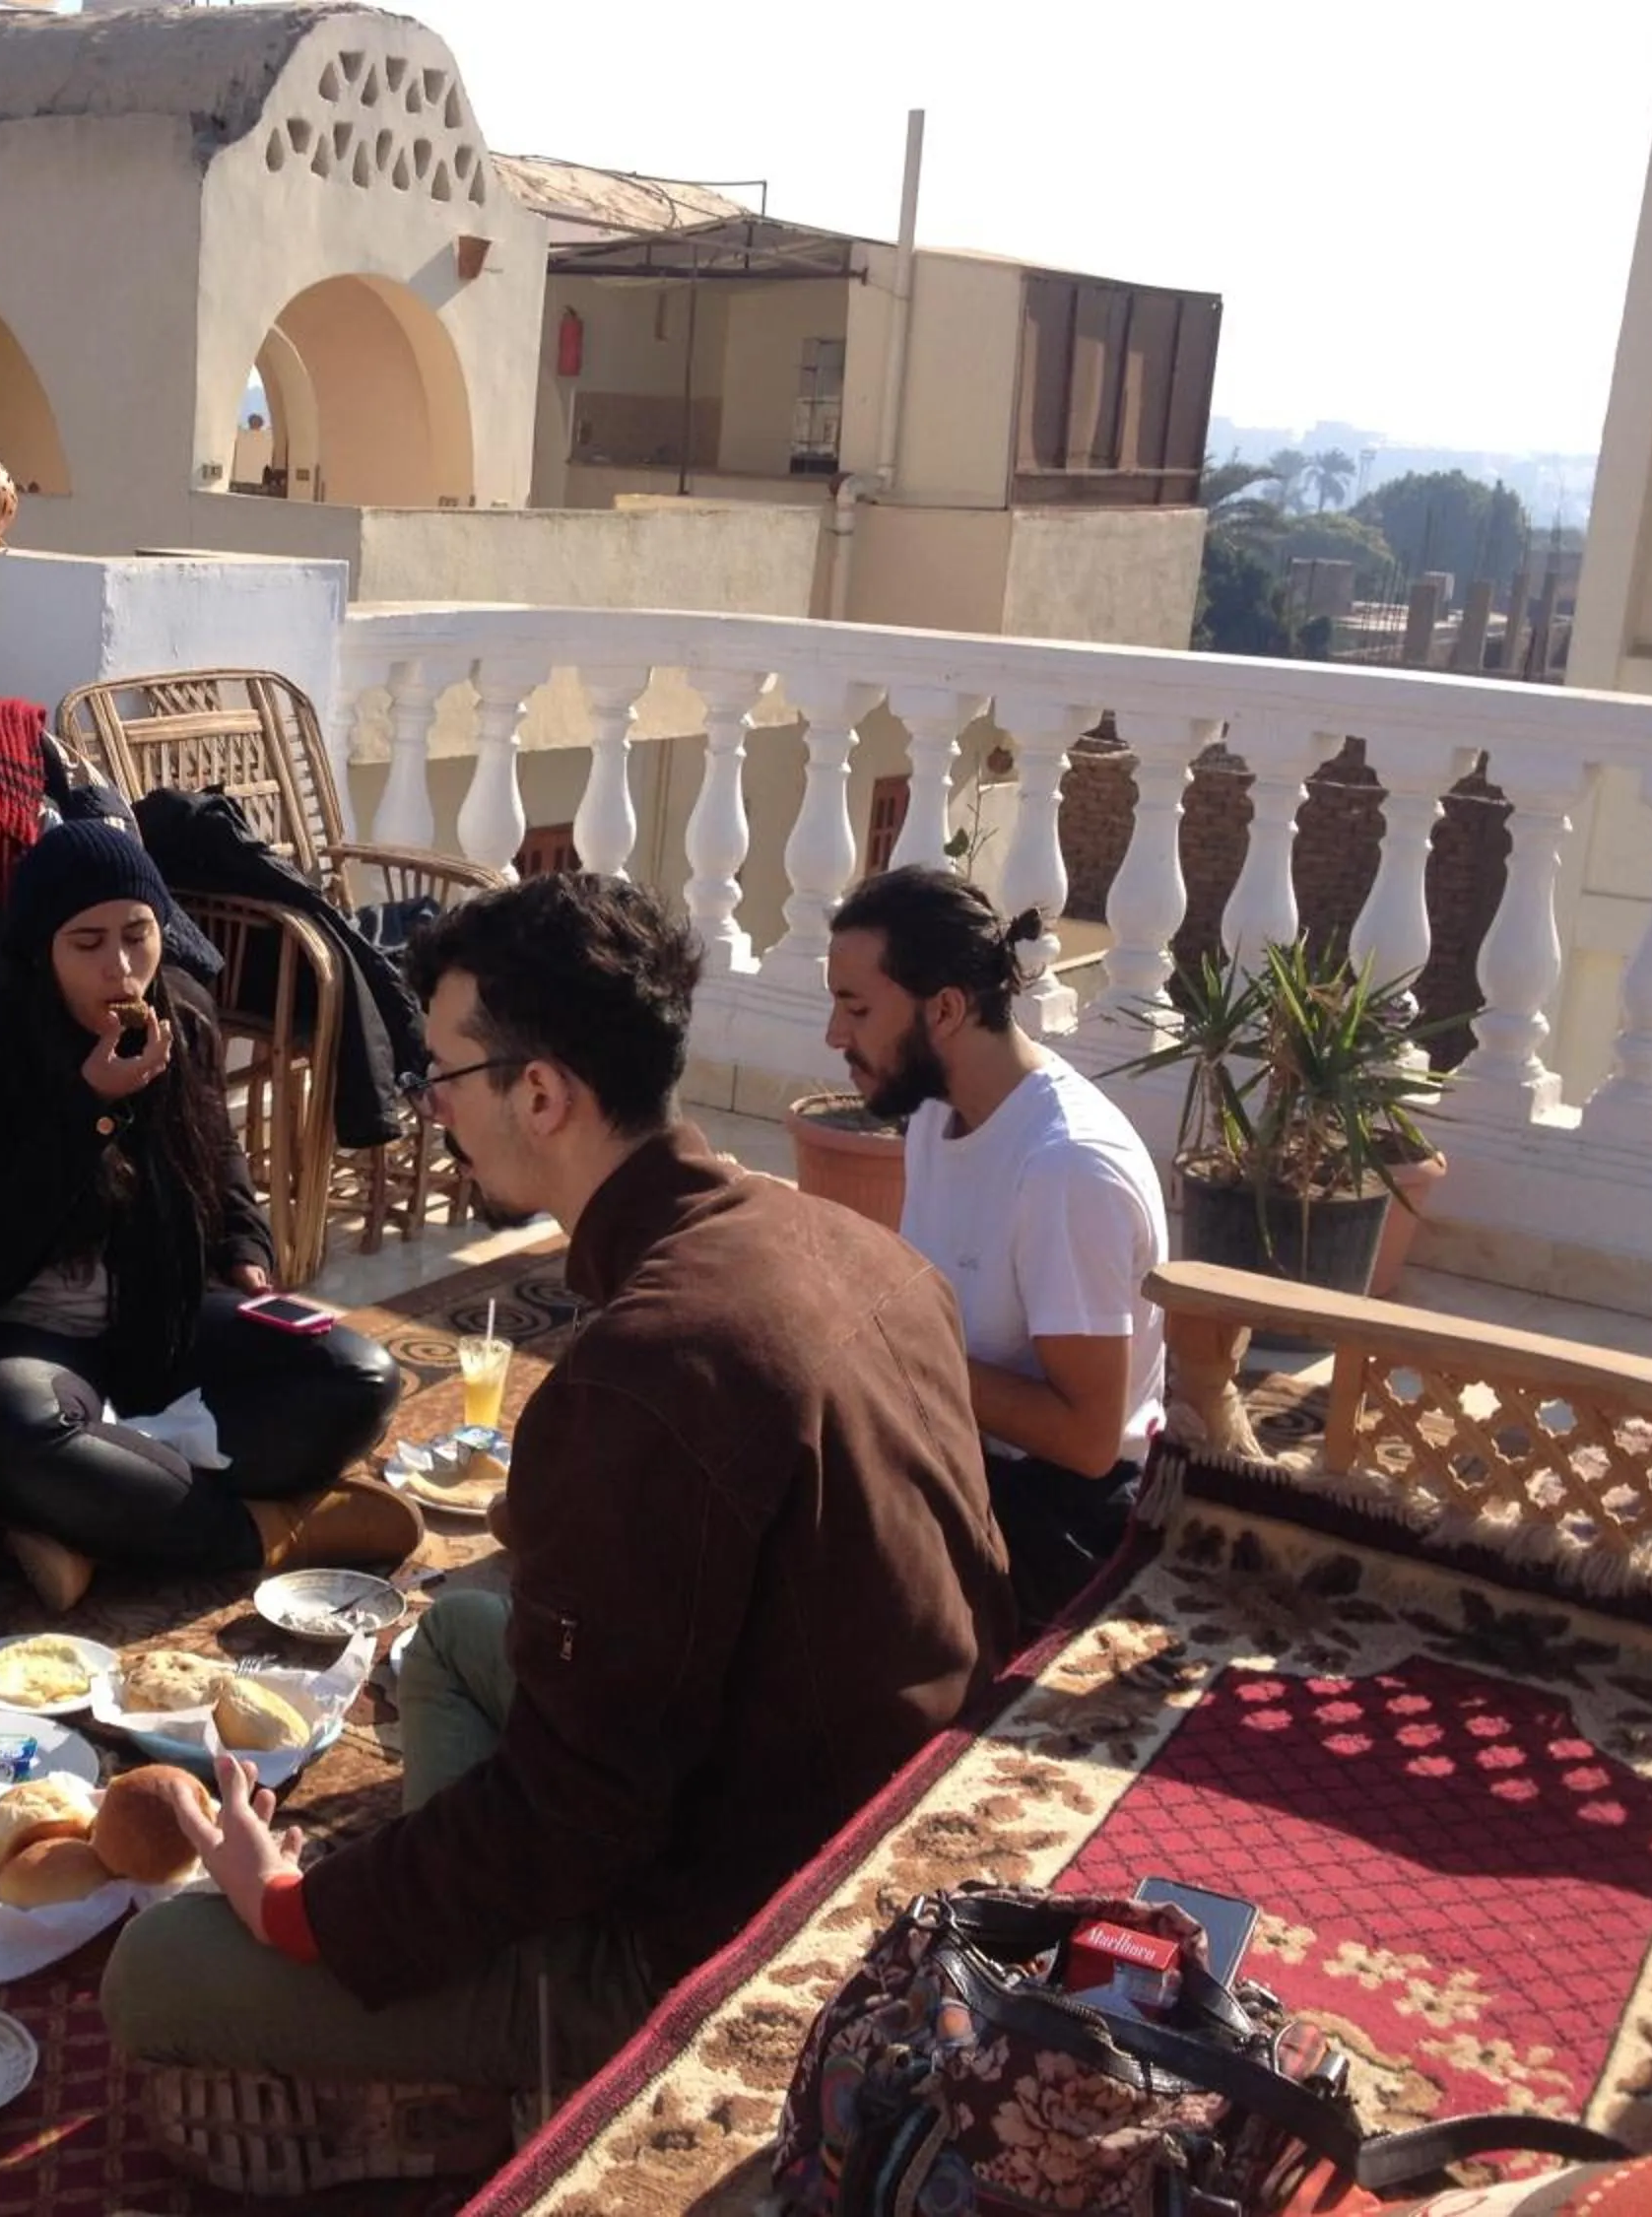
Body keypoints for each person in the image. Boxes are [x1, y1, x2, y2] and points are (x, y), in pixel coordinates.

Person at [99, 873, 1011, 2168]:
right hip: (881, 1823)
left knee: (162, 1966)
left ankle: (512, 2088)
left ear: (542, 1092)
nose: (435, 1110)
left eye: (446, 1078)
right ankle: (463, 2011)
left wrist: (298, 1904)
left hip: (743, 1941)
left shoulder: (648, 1370)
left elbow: (581, 1816)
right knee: (460, 1635)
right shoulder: (847, 1238)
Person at [0, 821, 414, 1609]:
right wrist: (90, 1111)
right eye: (87, 944)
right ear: (41, 949)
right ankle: (265, 1530)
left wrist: (245, 1249)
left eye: (138, 936)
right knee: (18, 1438)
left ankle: (94, 1516)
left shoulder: (183, 1018)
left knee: (358, 1377)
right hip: (8, 1338)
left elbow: (223, 1166)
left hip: (151, 1321)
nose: (121, 968)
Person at [826, 864, 1170, 1628]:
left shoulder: (1066, 1167)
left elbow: (1087, 1441)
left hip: (1065, 1515)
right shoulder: (934, 1116)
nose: (834, 1036)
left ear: (944, 1009)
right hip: (957, 1453)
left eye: (855, 1007)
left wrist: (897, 1353)